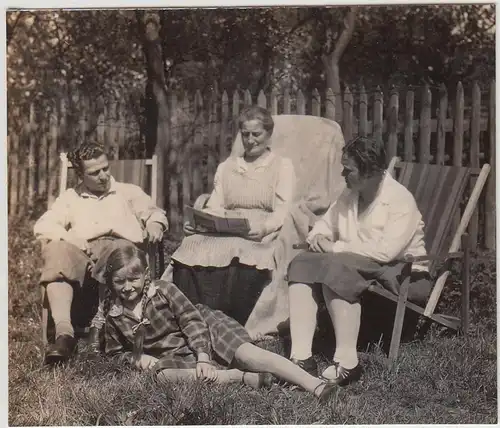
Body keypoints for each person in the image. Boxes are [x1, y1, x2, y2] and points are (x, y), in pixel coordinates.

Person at [102, 242, 337, 402]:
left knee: (249, 356)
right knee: (162, 375)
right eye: (119, 281)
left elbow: (191, 321)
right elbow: (114, 352)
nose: (127, 287)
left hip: (206, 328)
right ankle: (235, 377)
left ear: (146, 274)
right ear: (110, 282)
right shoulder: (113, 312)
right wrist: (136, 357)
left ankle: (313, 384)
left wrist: (204, 355)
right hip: (176, 353)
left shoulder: (163, 291)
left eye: (134, 279)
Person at [286, 136, 431, 385]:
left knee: (336, 266)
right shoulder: (351, 193)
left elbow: (386, 252)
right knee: (301, 263)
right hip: (357, 262)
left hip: (402, 271)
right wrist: (318, 235)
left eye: (348, 169)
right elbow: (326, 222)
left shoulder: (399, 200)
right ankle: (301, 358)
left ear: (369, 172)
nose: (342, 174)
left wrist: (335, 247)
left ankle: (347, 362)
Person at [34, 141, 168, 365]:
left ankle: (103, 330)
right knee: (56, 250)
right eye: (94, 172)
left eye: (106, 168)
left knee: (116, 249)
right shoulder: (71, 197)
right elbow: (43, 225)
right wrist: (71, 238)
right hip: (84, 253)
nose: (104, 175)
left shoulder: (127, 192)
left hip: (121, 251)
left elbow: (154, 212)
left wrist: (155, 223)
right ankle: (64, 335)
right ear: (80, 175)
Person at [171, 106, 296, 325]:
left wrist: (265, 228)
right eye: (245, 134)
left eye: (256, 134)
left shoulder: (281, 166)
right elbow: (216, 205)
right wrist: (201, 222)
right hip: (227, 225)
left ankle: (229, 319)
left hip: (259, 229)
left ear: (268, 134)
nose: (250, 140)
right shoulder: (228, 166)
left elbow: (283, 210)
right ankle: (187, 317)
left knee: (240, 250)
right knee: (191, 245)